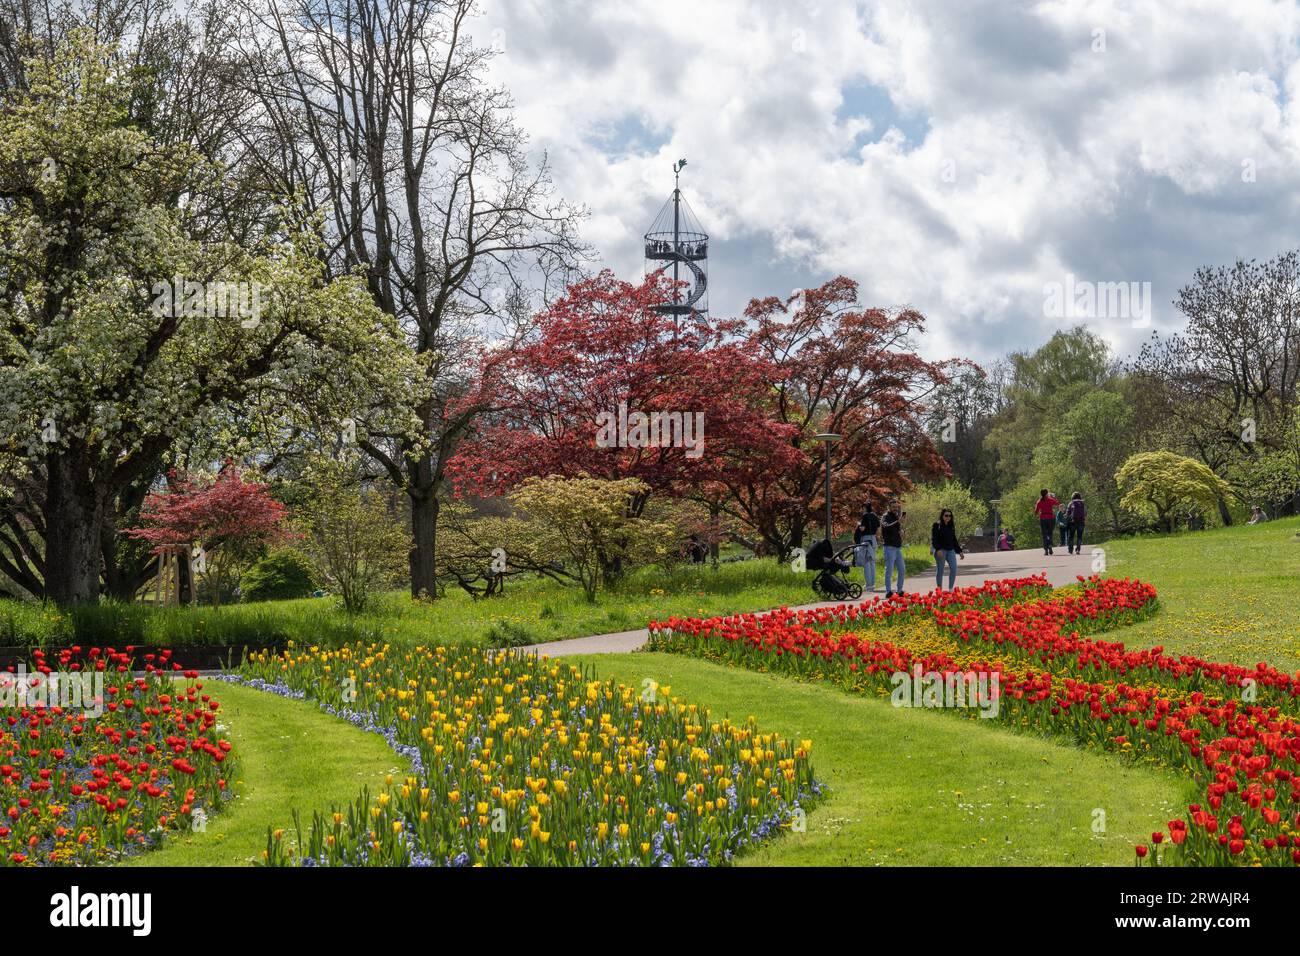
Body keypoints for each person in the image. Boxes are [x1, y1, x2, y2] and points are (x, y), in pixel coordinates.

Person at [930, 508, 965, 590]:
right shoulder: (936, 525)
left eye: (950, 516)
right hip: (941, 550)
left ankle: (950, 589)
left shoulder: (951, 526)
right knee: (940, 570)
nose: (948, 517)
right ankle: (939, 590)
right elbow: (934, 539)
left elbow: (954, 539)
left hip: (950, 550)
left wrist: (960, 551)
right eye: (946, 515)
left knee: (954, 569)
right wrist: (938, 549)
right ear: (942, 516)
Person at [854, 504, 881, 592]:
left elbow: (862, 529)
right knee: (872, 562)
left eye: (862, 508)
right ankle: (872, 584)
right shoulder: (874, 516)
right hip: (873, 540)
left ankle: (868, 585)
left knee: (866, 563)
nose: (862, 510)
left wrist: (858, 525)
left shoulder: (865, 516)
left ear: (865, 508)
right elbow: (878, 528)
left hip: (866, 540)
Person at [880, 502, 905, 598]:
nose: (895, 508)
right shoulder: (885, 517)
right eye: (893, 507)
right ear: (889, 507)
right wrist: (898, 521)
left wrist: (901, 532)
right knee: (889, 570)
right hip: (889, 547)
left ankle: (899, 590)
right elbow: (886, 527)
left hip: (897, 547)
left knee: (902, 569)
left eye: (896, 507)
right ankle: (888, 591)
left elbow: (896, 529)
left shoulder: (895, 517)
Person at [1034, 488, 1059, 556]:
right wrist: (1053, 497)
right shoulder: (1050, 499)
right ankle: (1050, 545)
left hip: (1043, 518)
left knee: (1044, 534)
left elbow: (1036, 511)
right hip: (1050, 518)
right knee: (1050, 533)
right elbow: (1057, 503)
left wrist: (1039, 512)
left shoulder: (1039, 501)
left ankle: (1046, 550)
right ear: (1046, 494)